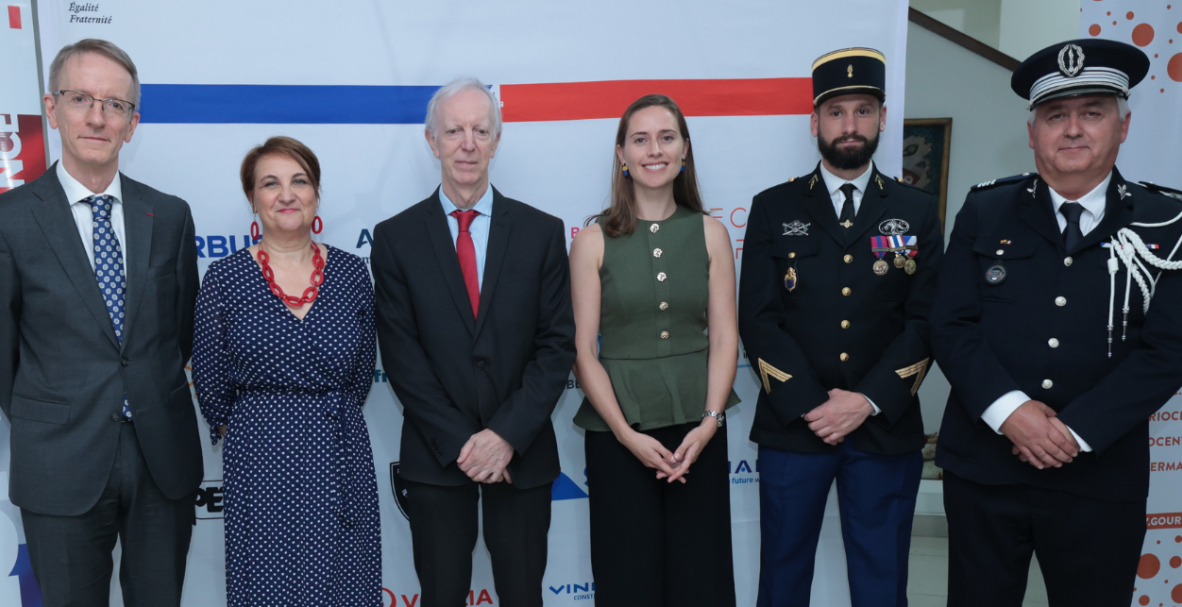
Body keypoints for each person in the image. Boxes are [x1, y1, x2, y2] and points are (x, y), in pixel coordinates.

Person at [931, 38, 1182, 607]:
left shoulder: (1166, 221)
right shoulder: (985, 210)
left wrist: (1074, 431)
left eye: (1092, 113)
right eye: (1055, 116)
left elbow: (1168, 350)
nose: (1072, 130)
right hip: (986, 469)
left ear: (1123, 126)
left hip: (1100, 474)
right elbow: (951, 324)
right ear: (1031, 132)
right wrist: (1011, 413)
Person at [739, 48, 944, 607]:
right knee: (782, 581)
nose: (849, 124)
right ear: (815, 123)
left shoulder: (917, 210)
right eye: (836, 112)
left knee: (881, 584)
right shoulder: (774, 207)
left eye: (862, 110)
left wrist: (867, 401)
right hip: (794, 426)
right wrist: (813, 405)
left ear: (882, 117)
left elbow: (926, 318)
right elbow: (757, 318)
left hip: (884, 426)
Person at [0, 39, 201, 606]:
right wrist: (53, 413)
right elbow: (4, 353)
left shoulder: (170, 215)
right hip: (59, 462)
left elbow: (180, 332)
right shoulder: (10, 221)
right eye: (81, 98)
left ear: (132, 124)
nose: (97, 117)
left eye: (115, 104)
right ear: (51, 107)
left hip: (161, 459)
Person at [371, 78, 575, 607]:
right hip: (437, 457)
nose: (467, 144)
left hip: (522, 455)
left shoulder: (541, 232)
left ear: (496, 140)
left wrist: (504, 436)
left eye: (480, 131)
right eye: (453, 131)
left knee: (523, 597)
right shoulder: (395, 238)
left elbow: (556, 347)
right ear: (431, 141)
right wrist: (466, 443)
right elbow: (402, 357)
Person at [191, 136, 380, 606]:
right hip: (259, 459)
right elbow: (210, 383)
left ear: (316, 193)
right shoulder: (224, 278)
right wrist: (264, 426)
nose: (287, 194)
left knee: (344, 583)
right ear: (252, 198)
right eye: (270, 183)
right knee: (267, 584)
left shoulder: (353, 274)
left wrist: (318, 417)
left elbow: (360, 376)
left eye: (300, 181)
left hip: (339, 452)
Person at [569, 94, 740, 606]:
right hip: (617, 433)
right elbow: (583, 350)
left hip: (698, 431)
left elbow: (725, 337)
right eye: (640, 140)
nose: (654, 150)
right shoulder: (592, 240)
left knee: (701, 578)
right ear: (622, 154)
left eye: (666, 138)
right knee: (628, 580)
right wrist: (626, 436)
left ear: (684, 149)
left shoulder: (712, 233)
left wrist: (709, 424)